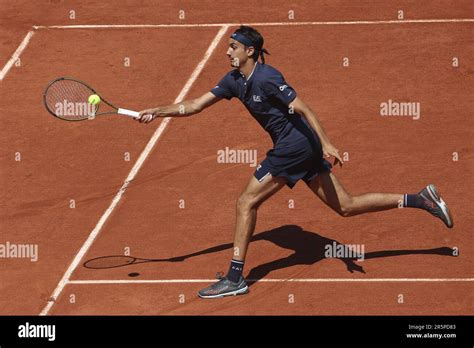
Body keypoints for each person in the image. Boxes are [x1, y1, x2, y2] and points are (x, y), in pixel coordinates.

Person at [137, 25, 453, 299]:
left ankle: (234, 278)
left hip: (295, 146)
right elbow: (193, 105)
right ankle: (420, 199)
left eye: (233, 47)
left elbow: (305, 109)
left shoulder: (268, 77)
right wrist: (156, 110)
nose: (227, 52)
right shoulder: (234, 80)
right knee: (346, 205)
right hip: (301, 148)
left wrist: (327, 142)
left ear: (250, 50)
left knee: (246, 202)